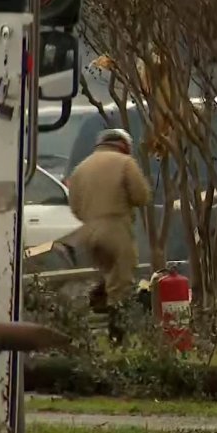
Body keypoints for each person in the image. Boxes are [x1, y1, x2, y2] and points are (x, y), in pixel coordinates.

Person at [65, 128, 151, 342]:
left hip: (87, 231)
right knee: (121, 285)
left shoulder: (80, 169)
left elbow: (74, 207)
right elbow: (141, 196)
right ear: (124, 145)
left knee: (106, 276)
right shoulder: (124, 163)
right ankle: (117, 339)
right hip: (115, 228)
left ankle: (96, 299)